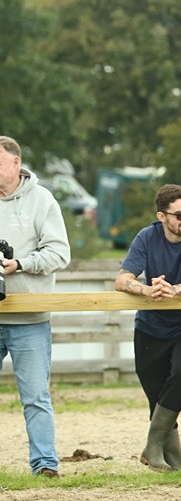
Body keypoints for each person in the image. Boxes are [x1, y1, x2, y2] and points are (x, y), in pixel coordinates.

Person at [115, 184, 181, 470]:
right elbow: (123, 279)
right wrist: (146, 290)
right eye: (179, 215)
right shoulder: (146, 237)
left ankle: (151, 448)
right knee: (158, 396)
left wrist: (176, 290)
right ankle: (171, 466)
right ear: (162, 217)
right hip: (150, 328)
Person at [0, 136, 71, 477]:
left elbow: (60, 253)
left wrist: (21, 264)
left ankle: (44, 464)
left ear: (16, 164)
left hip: (29, 316)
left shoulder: (42, 200)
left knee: (35, 397)